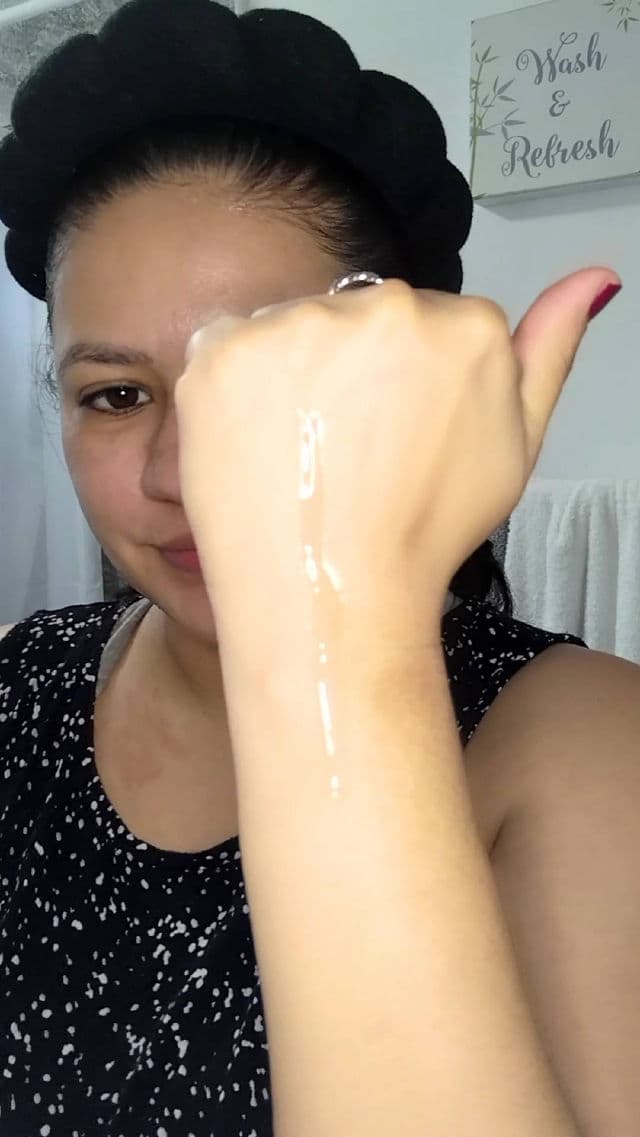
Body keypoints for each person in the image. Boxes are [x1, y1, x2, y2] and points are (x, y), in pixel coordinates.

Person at [0, 2, 638, 1135]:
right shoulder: (18, 685)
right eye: (117, 394)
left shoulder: (591, 741)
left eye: (267, 388)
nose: (190, 473)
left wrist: (334, 620)